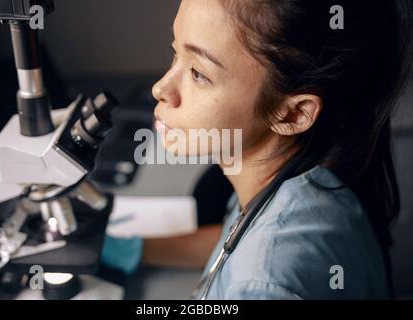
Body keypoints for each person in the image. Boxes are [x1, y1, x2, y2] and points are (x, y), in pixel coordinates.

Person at [103, 0, 413, 299]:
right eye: (176, 53)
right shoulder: (304, 179)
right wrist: (133, 248)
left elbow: (262, 265)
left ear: (292, 114)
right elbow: (237, 241)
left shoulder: (266, 285)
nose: (160, 88)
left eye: (199, 73)